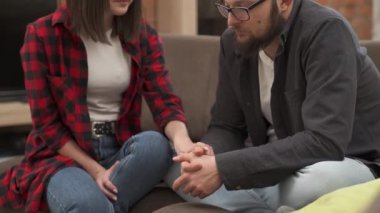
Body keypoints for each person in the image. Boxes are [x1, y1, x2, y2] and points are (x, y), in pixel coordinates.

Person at [165, 0, 380, 212]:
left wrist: (224, 169)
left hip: (347, 162)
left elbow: (325, 142)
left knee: (317, 182)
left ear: (284, 2)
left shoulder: (326, 31)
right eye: (226, 8)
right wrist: (207, 153)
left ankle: (249, 201)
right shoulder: (233, 41)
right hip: (272, 169)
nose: (230, 21)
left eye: (242, 8)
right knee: (177, 167)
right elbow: (227, 126)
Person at [0, 0, 201, 212]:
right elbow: (46, 124)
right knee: (88, 204)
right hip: (62, 156)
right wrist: (95, 171)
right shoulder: (42, 34)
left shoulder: (143, 35)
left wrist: (183, 142)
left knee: (155, 145)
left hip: (118, 148)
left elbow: (163, 100)